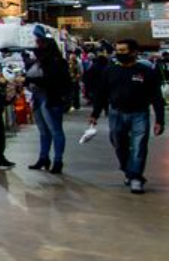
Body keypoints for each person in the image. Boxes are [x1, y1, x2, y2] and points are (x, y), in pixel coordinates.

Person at [89, 38, 166, 194]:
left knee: (139, 147)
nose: (119, 54)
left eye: (123, 51)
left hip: (139, 114)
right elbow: (102, 93)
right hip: (116, 113)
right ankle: (129, 171)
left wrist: (160, 120)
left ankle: (136, 178)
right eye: (118, 50)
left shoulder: (146, 72)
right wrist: (95, 114)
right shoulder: (110, 70)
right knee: (119, 144)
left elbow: (156, 97)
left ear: (134, 52)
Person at [25, 37, 74, 174]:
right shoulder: (39, 62)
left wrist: (28, 79)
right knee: (44, 131)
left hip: (51, 99)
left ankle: (58, 161)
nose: (36, 48)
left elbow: (52, 81)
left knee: (55, 131)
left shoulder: (57, 62)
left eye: (39, 45)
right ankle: (43, 157)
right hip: (39, 98)